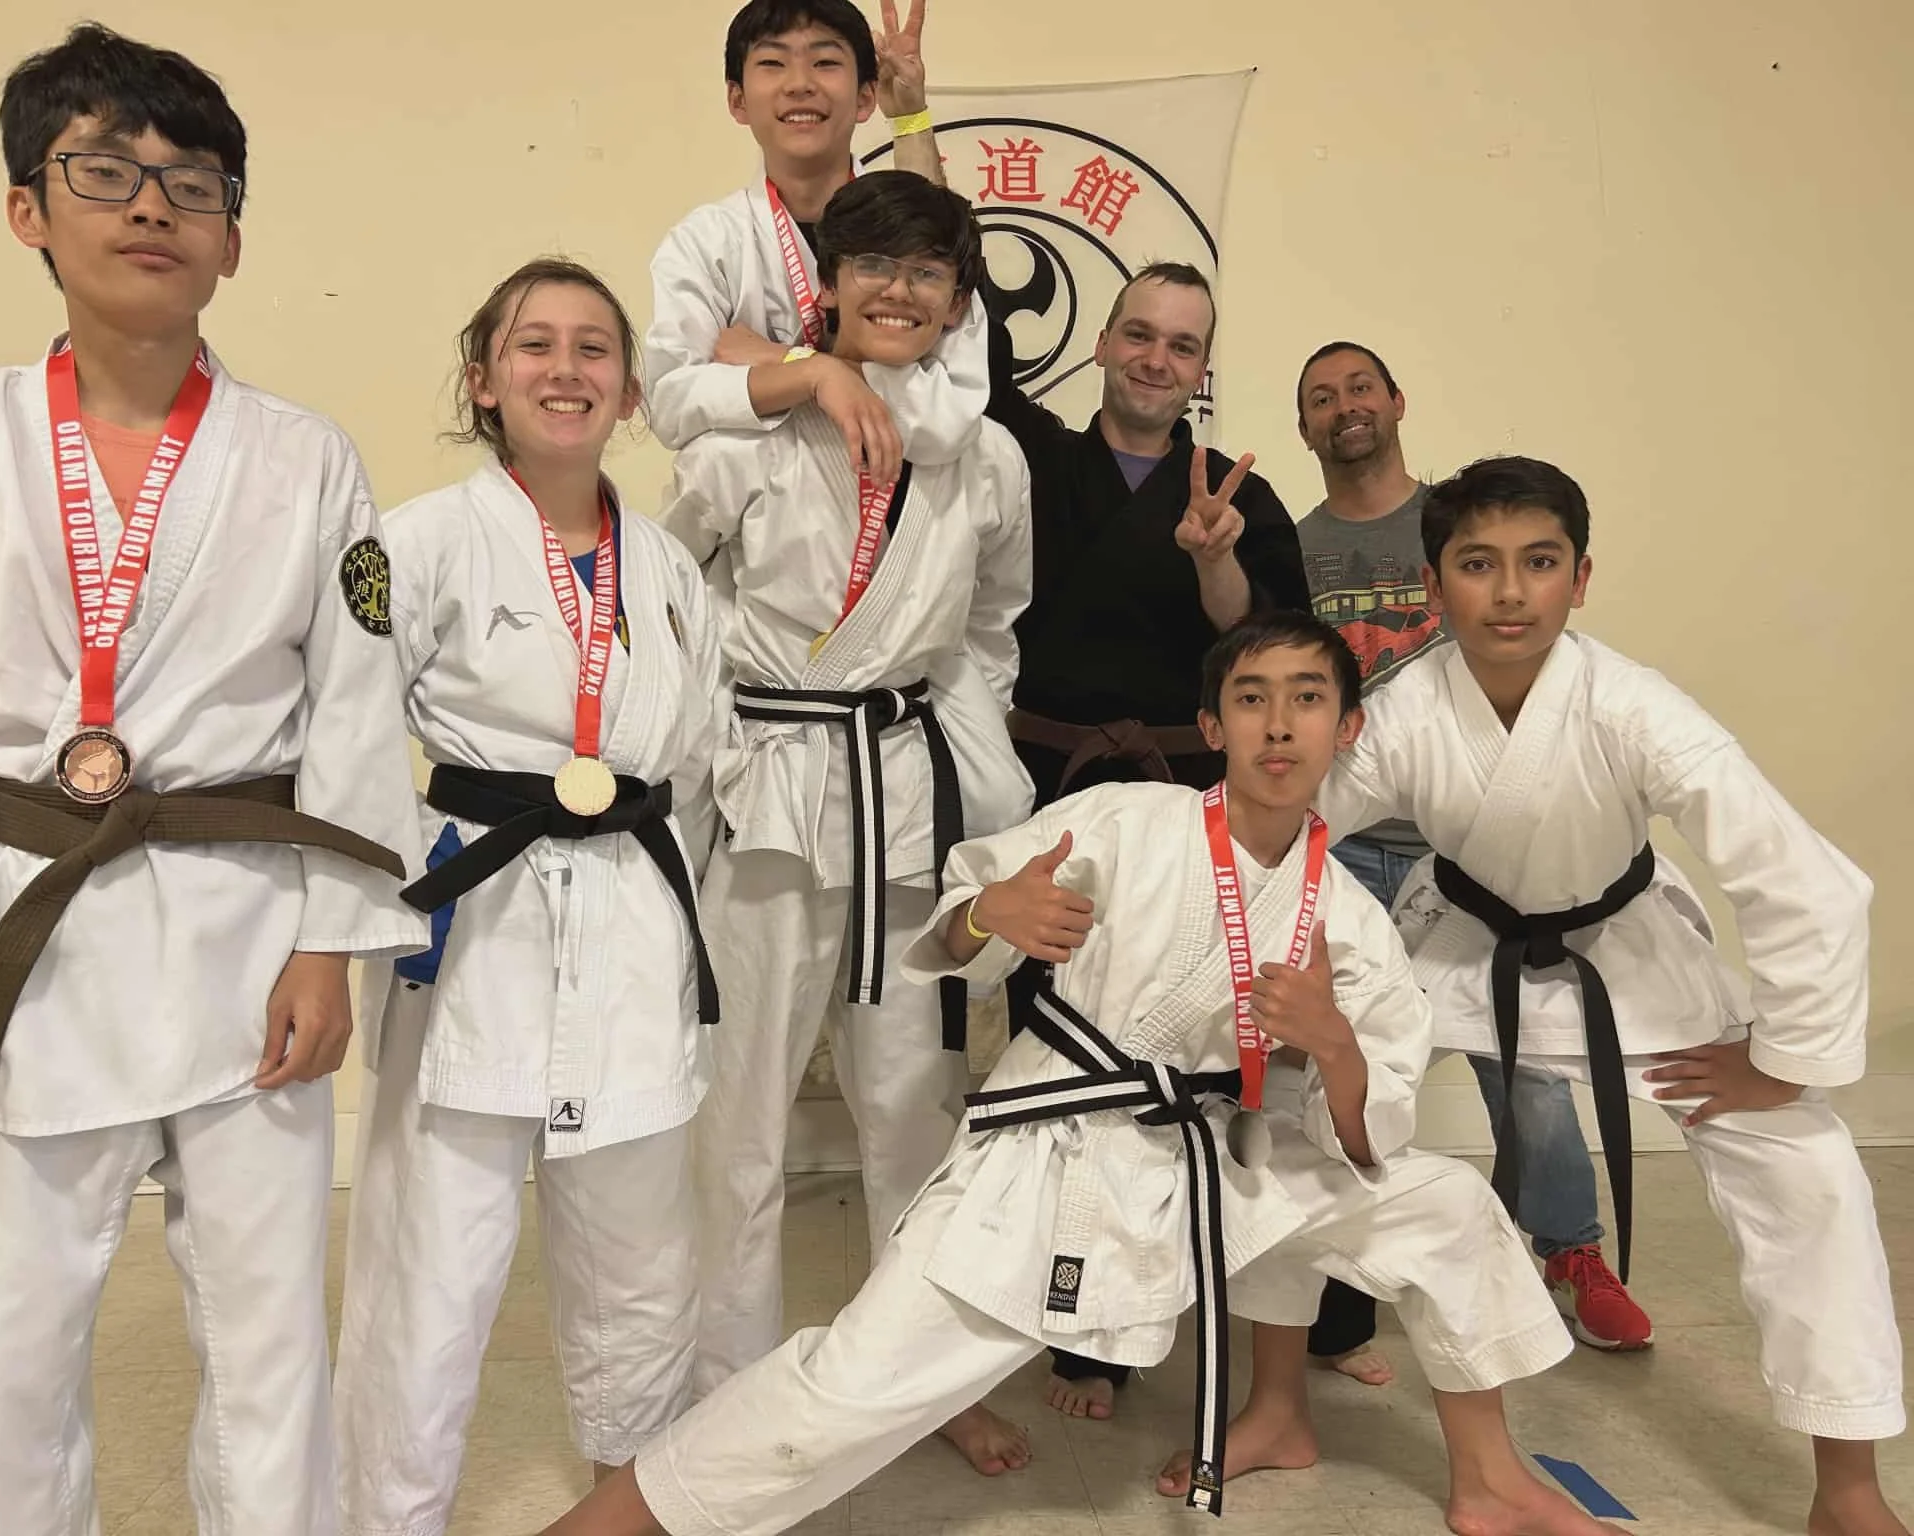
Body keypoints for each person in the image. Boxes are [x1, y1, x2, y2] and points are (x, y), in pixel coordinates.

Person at [529, 610, 1623, 1536]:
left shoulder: (1347, 917)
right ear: (1211, 726)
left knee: (1440, 1203)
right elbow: (966, 910)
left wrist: (1332, 1047)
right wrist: (981, 916)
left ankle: (1488, 1480)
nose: (1278, 723)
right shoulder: (1125, 822)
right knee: (851, 1387)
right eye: (1250, 698)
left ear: (1348, 726)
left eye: (1305, 698)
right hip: (1055, 1156)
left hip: (1213, 1162)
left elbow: (1366, 1128)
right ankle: (607, 1523)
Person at [0, 24, 425, 1534]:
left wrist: (332, 942)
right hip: (20, 936)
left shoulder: (307, 459)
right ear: (27, 208)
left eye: (192, 183)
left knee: (265, 1346)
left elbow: (359, 709)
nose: (152, 207)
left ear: (233, 242)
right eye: (106, 170)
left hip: (248, 934)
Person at [1320, 454, 1906, 1536]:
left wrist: (1780, 1059)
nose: (1507, 592)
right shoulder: (1400, 714)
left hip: (1623, 955)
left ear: (1577, 579)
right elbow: (1290, 827)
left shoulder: (1636, 710)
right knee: (1319, 1128)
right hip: (1460, 950)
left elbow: (1799, 879)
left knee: (1812, 1168)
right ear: (1432, 583)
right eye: (1477, 564)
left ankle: (1848, 1485)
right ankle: (1334, 1406)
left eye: (1536, 563)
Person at [332, 260, 727, 1530]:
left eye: (595, 349)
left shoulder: (668, 569)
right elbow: (341, 738)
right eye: (534, 346)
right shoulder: (414, 541)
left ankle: (635, 1490)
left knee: (640, 1252)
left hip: (629, 918)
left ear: (627, 389)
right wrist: (392, 901)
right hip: (475, 920)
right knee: (428, 1261)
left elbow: (703, 757)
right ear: (484, 379)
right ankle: (390, 1512)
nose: (566, 370)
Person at [659, 169, 1034, 1473]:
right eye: (872, 264)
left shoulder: (987, 459)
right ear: (829, 286)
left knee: (912, 1103)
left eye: (927, 273)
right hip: (765, 788)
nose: (897, 289)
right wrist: (707, 774)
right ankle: (736, 1383)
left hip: (906, 799)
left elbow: (989, 635)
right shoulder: (744, 438)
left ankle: (916, 1384)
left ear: (956, 305)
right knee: (743, 1109)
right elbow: (674, 613)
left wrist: (980, 793)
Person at [978, 262, 1385, 1416]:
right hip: (1054, 784)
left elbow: (1263, 648)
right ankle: (1090, 1323)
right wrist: (907, 109)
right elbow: (959, 301)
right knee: (1070, 1050)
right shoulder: (1036, 460)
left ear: (1202, 370)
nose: (1158, 359)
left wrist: (1211, 553)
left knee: (1236, 1045)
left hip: (1192, 791)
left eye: (1183, 345)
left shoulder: (1234, 494)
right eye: (1139, 336)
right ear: (1102, 345)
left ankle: (1301, 1304)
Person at [1295, 341, 1651, 1358]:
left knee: (1526, 1055)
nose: (1344, 407)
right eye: (1320, 398)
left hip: (1471, 841)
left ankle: (1568, 1252)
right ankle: (1335, 1279)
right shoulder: (1299, 537)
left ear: (1396, 401)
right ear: (1303, 428)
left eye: (1359, 386)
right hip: (1354, 833)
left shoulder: (1464, 519)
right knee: (1342, 1050)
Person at [645, 0, 987, 482]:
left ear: (866, 96)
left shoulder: (918, 252)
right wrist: (816, 376)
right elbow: (672, 404)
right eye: (772, 62)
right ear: (737, 100)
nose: (800, 83)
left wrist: (785, 361)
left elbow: (952, 411)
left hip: (913, 509)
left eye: (825, 62)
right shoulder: (705, 244)